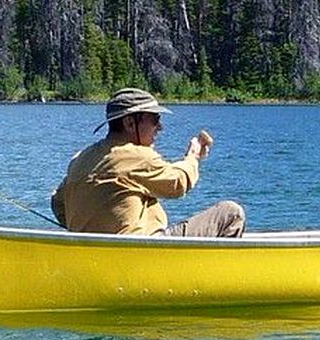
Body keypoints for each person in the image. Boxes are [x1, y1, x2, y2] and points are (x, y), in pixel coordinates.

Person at [51, 88, 245, 237]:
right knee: (231, 212)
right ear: (129, 123)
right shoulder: (136, 156)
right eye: (154, 119)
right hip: (142, 254)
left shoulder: (80, 158)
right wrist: (193, 157)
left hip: (99, 256)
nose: (159, 127)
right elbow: (178, 183)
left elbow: (58, 204)